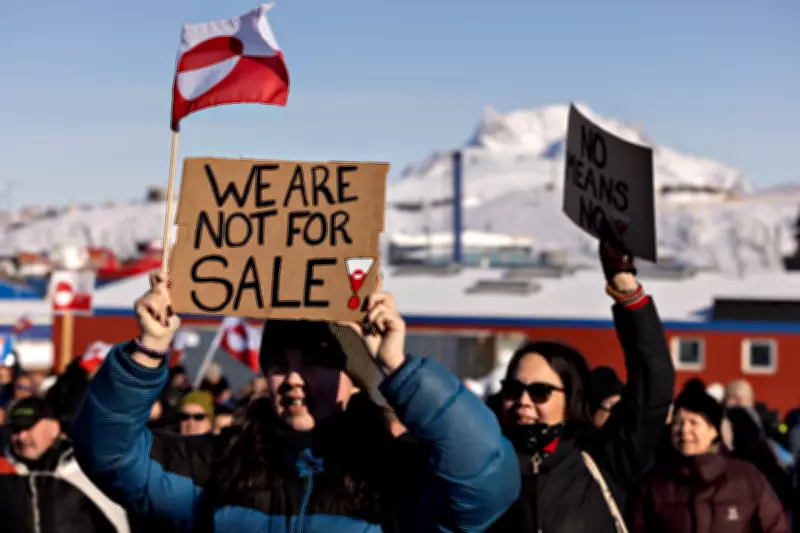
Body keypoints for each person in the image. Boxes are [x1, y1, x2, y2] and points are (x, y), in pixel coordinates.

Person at [71, 273, 520, 532]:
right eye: (279, 363)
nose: (294, 379)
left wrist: (399, 368)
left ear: (356, 379)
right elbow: (110, 457)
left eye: (316, 362)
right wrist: (148, 350)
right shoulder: (221, 464)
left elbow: (485, 480)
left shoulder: (396, 474)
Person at [487, 236, 675, 533]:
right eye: (513, 390)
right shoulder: (482, 465)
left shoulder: (602, 459)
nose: (523, 401)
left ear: (570, 397)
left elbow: (652, 387)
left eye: (539, 392)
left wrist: (628, 295)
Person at [631, 389, 788, 532]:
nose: (684, 430)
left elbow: (775, 527)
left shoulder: (746, 478)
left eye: (693, 423)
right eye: (678, 423)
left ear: (713, 430)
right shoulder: (655, 484)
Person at [0, 397, 130, 533]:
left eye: (28, 428)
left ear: (53, 427)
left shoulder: (83, 469)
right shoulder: (8, 474)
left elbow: (120, 523)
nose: (21, 437)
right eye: (15, 430)